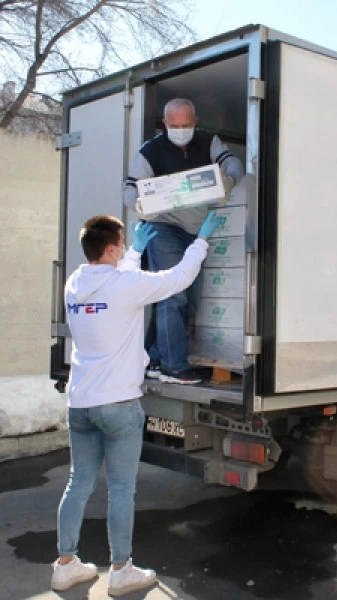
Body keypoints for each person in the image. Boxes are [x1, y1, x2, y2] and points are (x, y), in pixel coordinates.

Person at [51, 210, 223, 596]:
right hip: (119, 406)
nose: (129, 248)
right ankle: (121, 570)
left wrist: (132, 255)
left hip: (80, 403)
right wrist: (201, 241)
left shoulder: (74, 284)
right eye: (124, 244)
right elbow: (178, 278)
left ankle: (65, 565)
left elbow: (114, 285)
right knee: (121, 489)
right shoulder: (126, 283)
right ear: (112, 248)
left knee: (78, 483)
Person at [124, 97, 244, 385]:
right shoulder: (150, 151)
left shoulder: (208, 142)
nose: (180, 129)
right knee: (172, 294)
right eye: (174, 125)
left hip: (195, 230)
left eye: (186, 125)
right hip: (164, 227)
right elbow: (130, 190)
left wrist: (227, 180)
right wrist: (140, 204)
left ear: (195, 122)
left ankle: (153, 358)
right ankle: (173, 366)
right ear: (165, 123)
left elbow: (234, 164)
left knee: (189, 300)